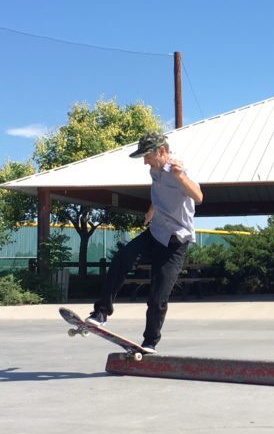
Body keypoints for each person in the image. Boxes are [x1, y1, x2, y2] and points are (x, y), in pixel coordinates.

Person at [86, 130, 203, 353]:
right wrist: (150, 211)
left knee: (158, 296)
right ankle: (101, 312)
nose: (145, 163)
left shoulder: (178, 170)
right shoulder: (155, 171)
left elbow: (198, 197)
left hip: (175, 241)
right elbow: (158, 195)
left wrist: (180, 177)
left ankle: (150, 342)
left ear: (161, 151)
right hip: (155, 232)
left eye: (147, 157)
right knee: (123, 258)